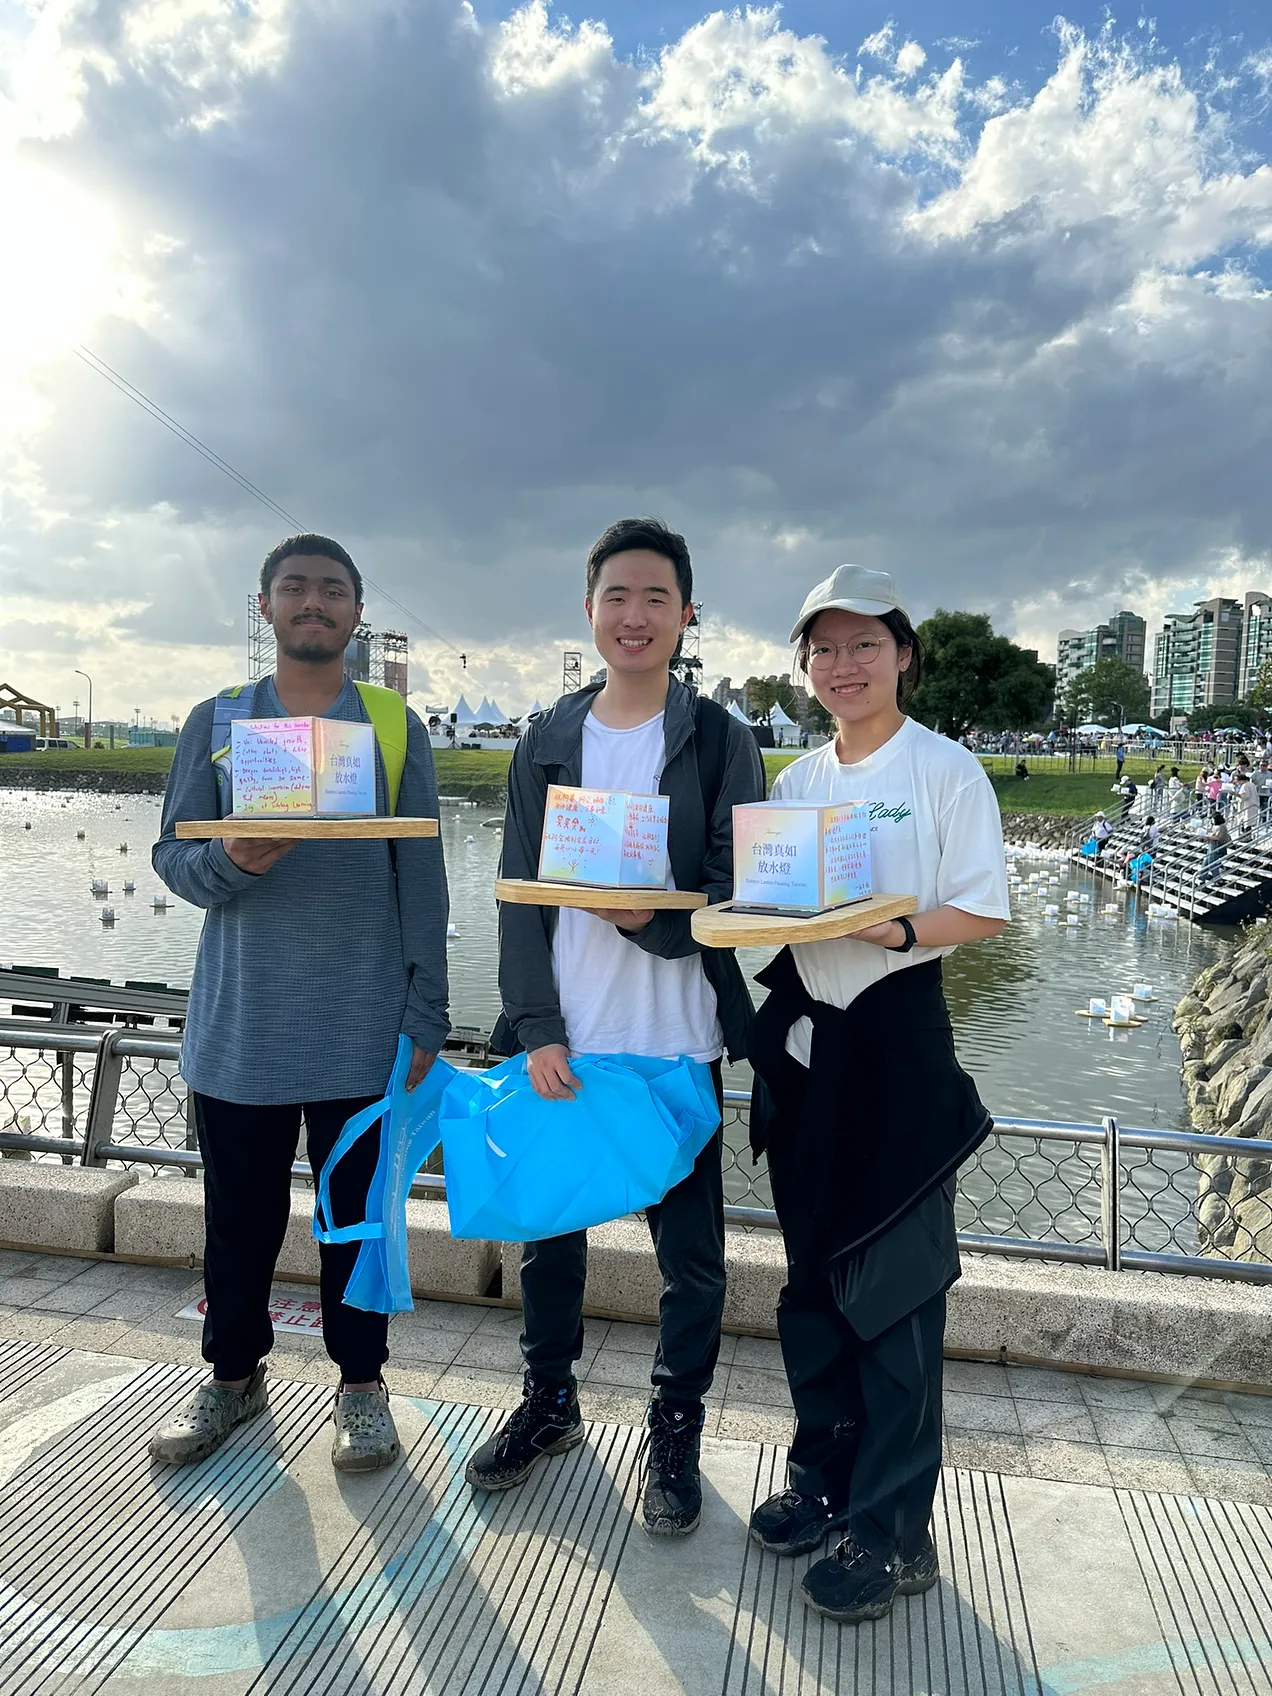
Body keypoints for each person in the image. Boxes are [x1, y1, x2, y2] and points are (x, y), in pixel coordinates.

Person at [465, 517, 765, 1536]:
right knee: (550, 1238)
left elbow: (737, 892)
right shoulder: (547, 740)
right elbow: (516, 894)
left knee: (692, 1258)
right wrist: (537, 1026)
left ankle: (674, 1429)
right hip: (569, 1037)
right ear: (588, 609)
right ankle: (549, 1401)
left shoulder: (721, 739)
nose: (635, 616)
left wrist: (654, 922)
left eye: (656, 599)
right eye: (617, 597)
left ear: (686, 615)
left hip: (678, 1039)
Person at [150, 534, 450, 1471]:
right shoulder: (217, 721)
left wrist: (427, 1012)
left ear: (357, 611)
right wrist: (231, 862)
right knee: (237, 1223)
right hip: (243, 1025)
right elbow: (172, 858)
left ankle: (361, 1386)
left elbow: (423, 878)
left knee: (356, 1222)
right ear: (266, 606)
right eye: (294, 589)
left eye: (332, 590)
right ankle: (232, 1375)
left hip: (363, 1024)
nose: (312, 603)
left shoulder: (393, 727)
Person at [744, 566, 1008, 1627]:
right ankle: (824, 1481)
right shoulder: (798, 780)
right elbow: (773, 905)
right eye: (824, 647)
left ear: (903, 653)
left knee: (895, 1296)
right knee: (811, 1285)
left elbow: (980, 911)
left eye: (864, 644)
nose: (842, 664)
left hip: (898, 1044)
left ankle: (896, 1533)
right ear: (805, 665)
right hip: (808, 1045)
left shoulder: (945, 770)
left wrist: (892, 929)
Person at [1198, 810, 1231, 886]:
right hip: (1211, 846)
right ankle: (1201, 879)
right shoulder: (1215, 827)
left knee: (1212, 864)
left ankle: (1217, 880)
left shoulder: (1221, 827)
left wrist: (1207, 837)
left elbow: (1218, 837)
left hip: (1217, 847)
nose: (1211, 821)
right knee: (1205, 863)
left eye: (1212, 819)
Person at [1238, 772, 1260, 837]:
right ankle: (1246, 836)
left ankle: (1247, 837)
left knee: (1246, 821)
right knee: (1248, 820)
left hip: (1247, 805)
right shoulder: (1252, 784)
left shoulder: (1245, 785)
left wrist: (1235, 794)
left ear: (1241, 780)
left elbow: (1245, 796)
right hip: (1253, 804)